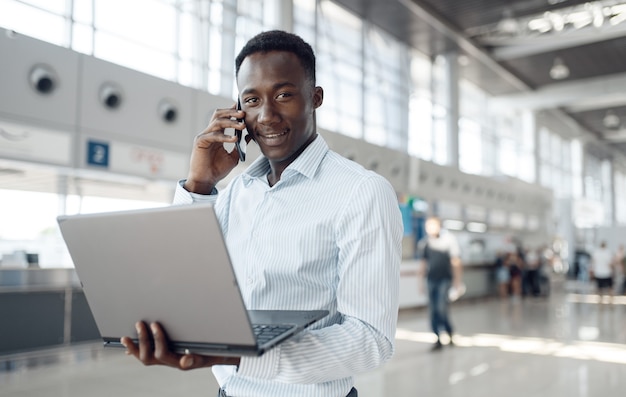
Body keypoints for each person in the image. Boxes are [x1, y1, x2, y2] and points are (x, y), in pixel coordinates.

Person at [120, 30, 403, 397]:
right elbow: (183, 279)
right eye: (251, 100)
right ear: (237, 110)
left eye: (284, 95)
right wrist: (200, 183)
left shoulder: (361, 192)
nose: (266, 116)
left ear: (315, 98)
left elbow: (371, 339)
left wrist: (243, 357)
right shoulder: (238, 192)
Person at [416, 216, 463, 351]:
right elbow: (423, 264)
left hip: (445, 279)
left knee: (442, 308)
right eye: (428, 226)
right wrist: (420, 283)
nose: (430, 229)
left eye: (433, 225)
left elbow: (456, 261)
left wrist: (457, 282)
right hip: (431, 280)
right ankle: (437, 338)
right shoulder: (424, 243)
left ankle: (449, 332)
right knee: (433, 310)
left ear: (439, 226)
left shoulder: (448, 240)